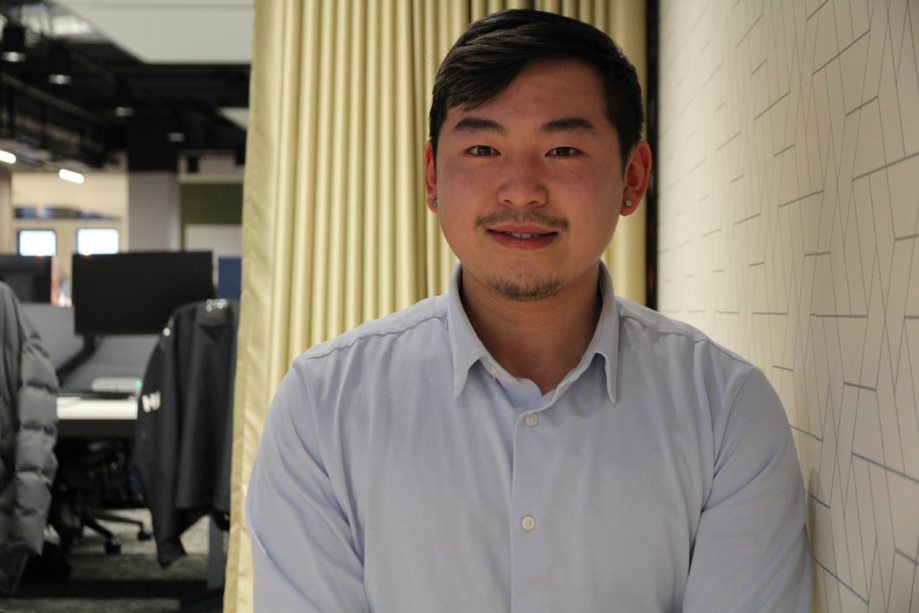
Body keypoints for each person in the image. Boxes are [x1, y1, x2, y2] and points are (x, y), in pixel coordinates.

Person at [246, 9, 812, 612]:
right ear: (433, 175)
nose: (521, 189)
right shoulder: (323, 406)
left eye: (563, 148)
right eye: (484, 148)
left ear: (633, 177)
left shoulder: (725, 409)